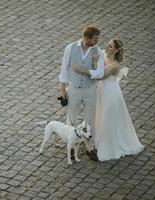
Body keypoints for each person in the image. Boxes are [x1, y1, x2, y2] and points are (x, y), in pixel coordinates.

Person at [73, 38, 144, 161]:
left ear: (116, 51)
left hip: (110, 94)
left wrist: (93, 63)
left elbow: (100, 75)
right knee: (97, 115)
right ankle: (94, 140)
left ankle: (108, 144)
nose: (107, 47)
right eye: (108, 45)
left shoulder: (115, 65)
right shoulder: (104, 54)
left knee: (106, 118)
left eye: (110, 46)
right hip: (100, 92)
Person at [59, 25, 105, 161]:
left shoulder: (97, 52)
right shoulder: (70, 48)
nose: (96, 42)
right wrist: (62, 90)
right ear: (86, 38)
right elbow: (63, 69)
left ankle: (90, 148)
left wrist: (86, 70)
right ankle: (71, 147)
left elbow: (100, 74)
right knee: (71, 118)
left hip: (90, 90)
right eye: (94, 39)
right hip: (73, 89)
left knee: (89, 119)